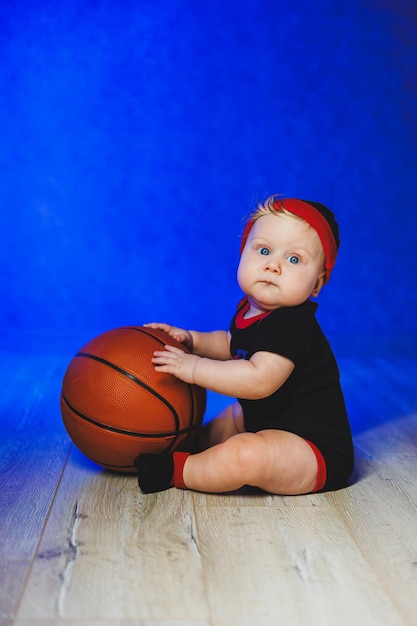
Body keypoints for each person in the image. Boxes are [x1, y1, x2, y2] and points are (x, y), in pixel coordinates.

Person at [135, 196, 354, 495]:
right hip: (262, 421)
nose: (273, 265)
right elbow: (230, 343)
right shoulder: (249, 310)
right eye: (263, 250)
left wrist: (194, 367)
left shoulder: (292, 323)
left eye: (294, 259)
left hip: (312, 450)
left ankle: (175, 471)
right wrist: (192, 339)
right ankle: (188, 445)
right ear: (242, 255)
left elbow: (258, 379)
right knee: (225, 423)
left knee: (245, 455)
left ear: (316, 284)